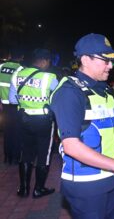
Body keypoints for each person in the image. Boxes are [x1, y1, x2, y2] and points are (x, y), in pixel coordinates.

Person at [49, 33, 114, 219]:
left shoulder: (105, 92)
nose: (111, 66)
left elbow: (112, 140)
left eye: (111, 61)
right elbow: (71, 146)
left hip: (110, 180)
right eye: (105, 60)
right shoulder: (70, 92)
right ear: (85, 59)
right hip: (87, 187)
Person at [9, 48, 58, 198]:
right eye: (48, 61)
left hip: (24, 120)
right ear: (44, 61)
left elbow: (12, 100)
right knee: (44, 154)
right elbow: (56, 100)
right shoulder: (50, 78)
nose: (49, 64)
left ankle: (23, 189)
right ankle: (38, 189)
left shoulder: (17, 74)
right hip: (43, 121)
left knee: (27, 153)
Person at [0, 48, 24, 164]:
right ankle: (15, 157)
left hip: (3, 106)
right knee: (17, 131)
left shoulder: (1, 67)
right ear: (22, 57)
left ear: (9, 55)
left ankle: (7, 156)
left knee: (7, 131)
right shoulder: (20, 70)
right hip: (15, 106)